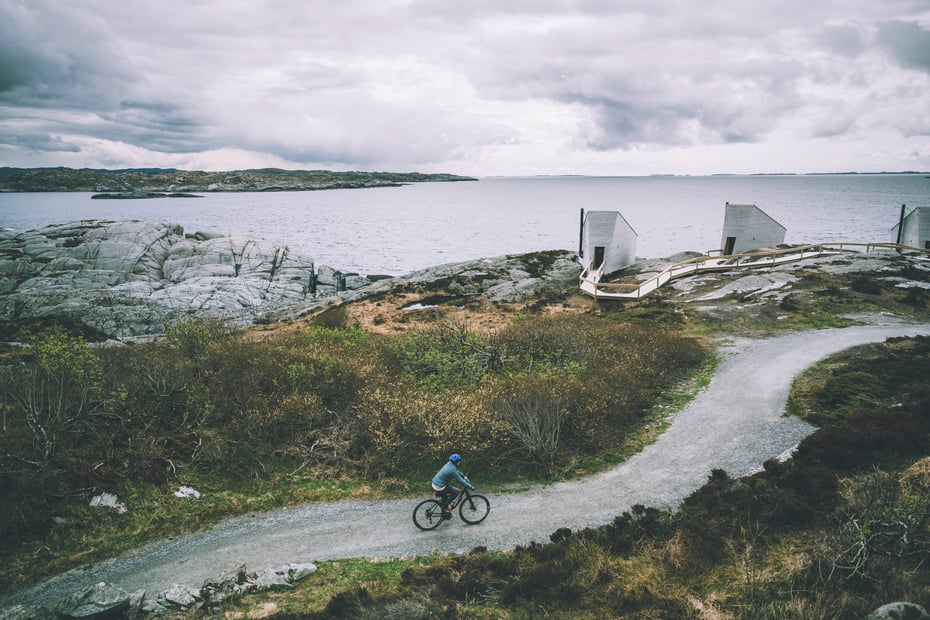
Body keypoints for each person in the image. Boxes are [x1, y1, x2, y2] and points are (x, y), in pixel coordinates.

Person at [432, 453, 475, 519]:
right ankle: (445, 506)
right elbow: (460, 480)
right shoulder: (452, 470)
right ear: (457, 462)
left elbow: (456, 470)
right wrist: (470, 487)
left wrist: (463, 475)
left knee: (446, 494)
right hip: (439, 486)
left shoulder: (449, 464)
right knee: (456, 492)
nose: (460, 462)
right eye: (459, 461)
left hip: (435, 483)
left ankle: (444, 511)